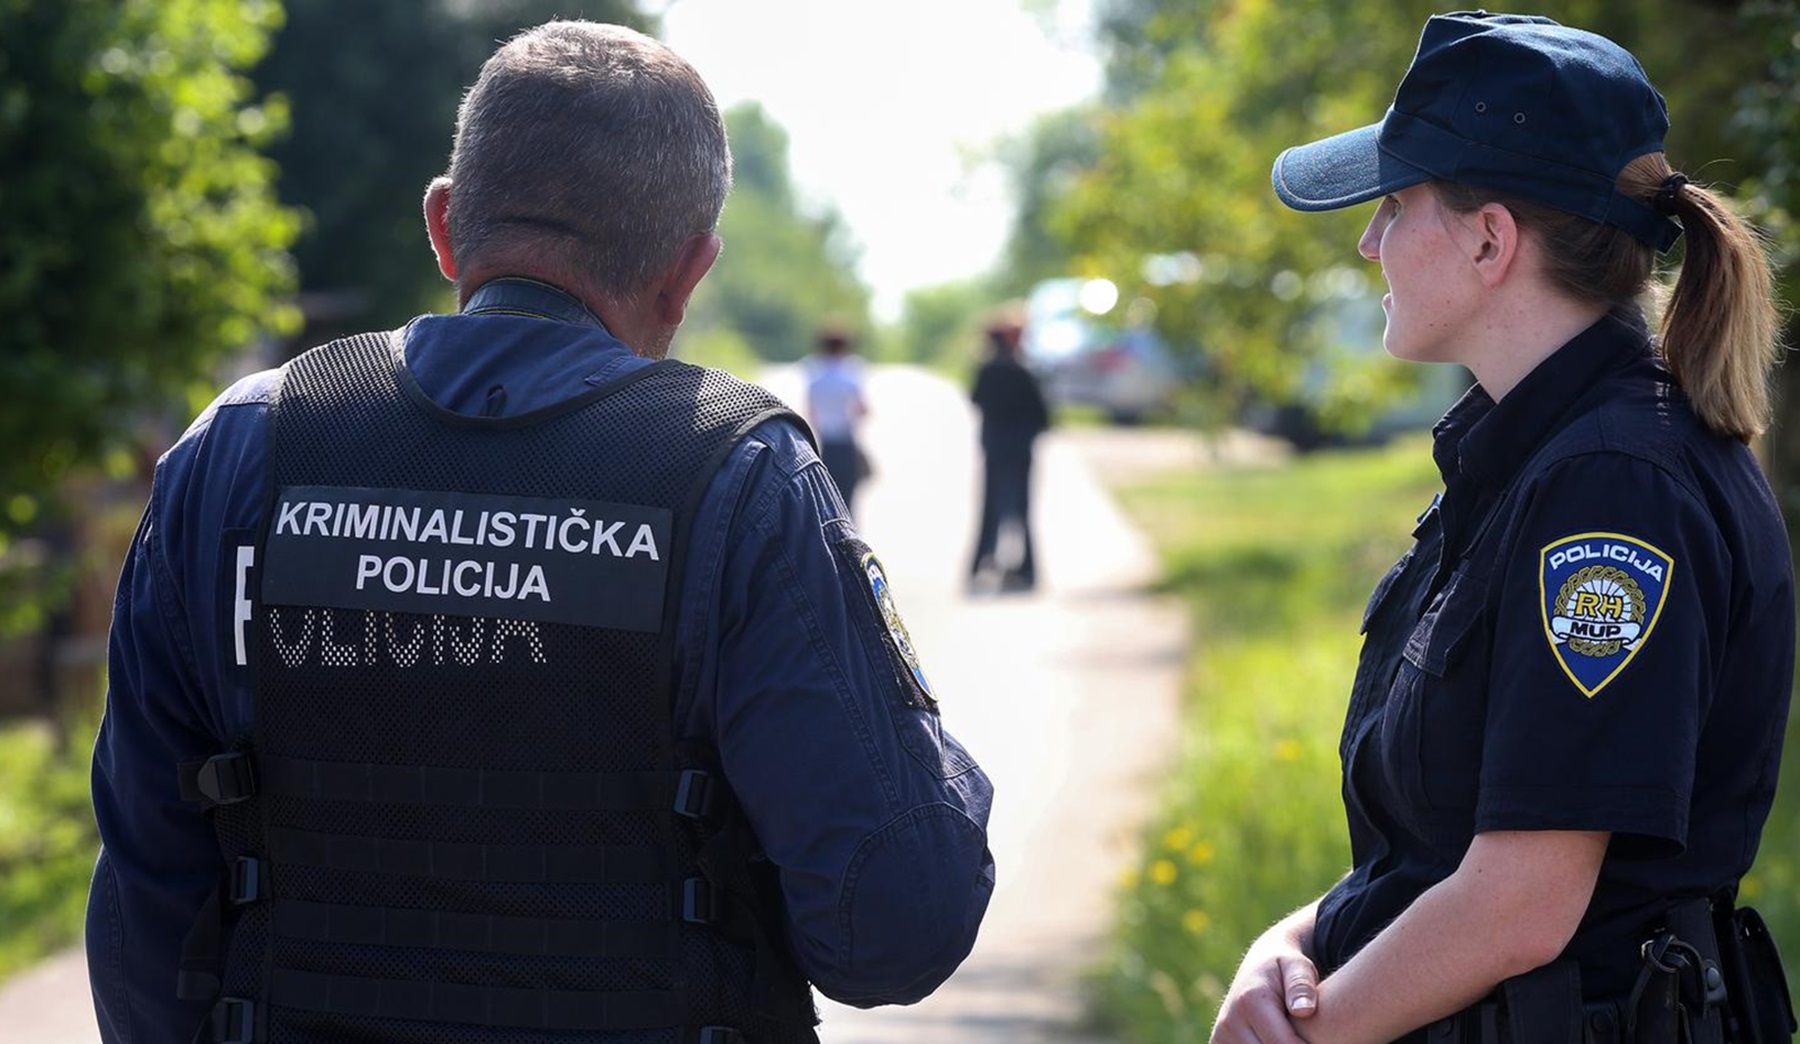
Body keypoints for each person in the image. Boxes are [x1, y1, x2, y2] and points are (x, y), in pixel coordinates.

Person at [86, 22, 994, 1044]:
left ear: (444, 228)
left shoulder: (239, 450)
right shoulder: (739, 480)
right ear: (688, 272)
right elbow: (896, 927)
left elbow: (145, 903)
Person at [1216, 12, 1795, 1044]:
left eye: (1394, 205)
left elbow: (1521, 904)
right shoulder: (1537, 454)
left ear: (1490, 240)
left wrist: (1310, 1034)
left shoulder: (1615, 485)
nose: (1367, 240)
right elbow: (1433, 854)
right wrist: (1292, 945)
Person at [968, 317, 1050, 593]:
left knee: (990, 507)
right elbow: (1043, 416)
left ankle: (981, 562)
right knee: (1022, 509)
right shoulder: (1025, 370)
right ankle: (1026, 570)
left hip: (994, 446)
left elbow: (975, 400)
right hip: (1020, 448)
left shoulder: (987, 370)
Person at [802, 327, 869, 515]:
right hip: (846, 443)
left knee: (828, 504)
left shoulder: (815, 379)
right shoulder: (850, 377)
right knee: (848, 504)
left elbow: (811, 414)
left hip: (825, 446)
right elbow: (863, 410)